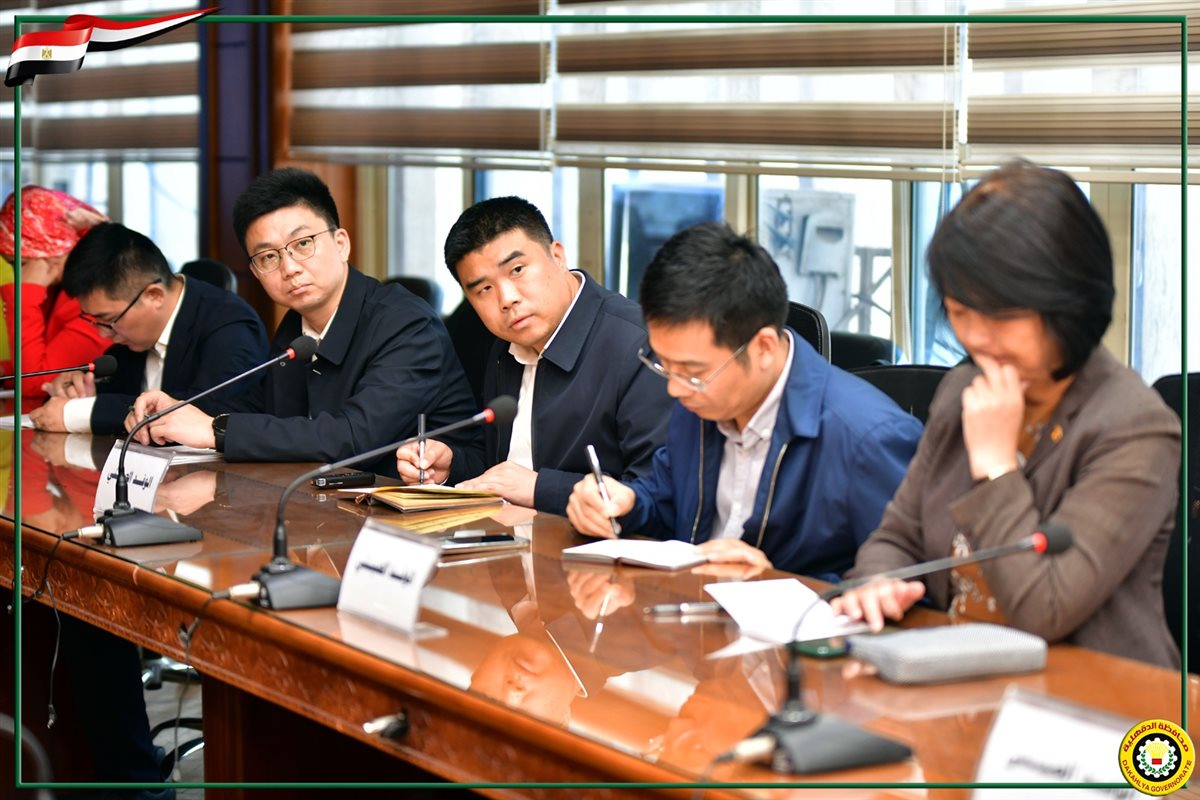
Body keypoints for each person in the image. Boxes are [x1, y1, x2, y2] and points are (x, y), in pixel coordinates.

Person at [830, 162, 1181, 668]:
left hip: (1089, 693)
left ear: (1070, 306)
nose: (976, 338)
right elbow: (897, 535)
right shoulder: (963, 389)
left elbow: (1045, 609)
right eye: (959, 311)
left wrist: (996, 467)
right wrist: (879, 581)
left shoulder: (1135, 427)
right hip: (956, 672)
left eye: (1002, 317)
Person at [566, 222, 923, 579]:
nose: (675, 388)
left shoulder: (866, 437)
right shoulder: (701, 402)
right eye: (664, 365)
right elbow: (667, 502)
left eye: (691, 371)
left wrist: (774, 581)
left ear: (764, 347)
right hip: (692, 604)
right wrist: (627, 504)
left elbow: (908, 584)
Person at [129, 167, 484, 479]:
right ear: (255, 271)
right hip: (329, 507)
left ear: (341, 243)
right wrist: (175, 414)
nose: (289, 268)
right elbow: (257, 409)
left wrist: (214, 430)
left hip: (430, 515)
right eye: (268, 256)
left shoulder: (406, 324)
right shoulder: (295, 327)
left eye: (302, 244)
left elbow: (355, 438)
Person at [395, 196, 672, 513]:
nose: (507, 299)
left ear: (558, 256)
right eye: (484, 289)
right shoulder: (505, 347)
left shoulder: (638, 343)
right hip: (509, 535)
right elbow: (507, 470)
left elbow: (655, 493)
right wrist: (451, 467)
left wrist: (540, 488)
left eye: (517, 270)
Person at [28, 223, 269, 434]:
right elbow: (119, 398)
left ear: (154, 295)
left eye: (108, 319)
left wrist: (80, 413)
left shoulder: (232, 326)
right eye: (95, 321)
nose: (104, 333)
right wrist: (79, 391)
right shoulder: (130, 338)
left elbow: (209, 412)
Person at [0, 185, 110, 397]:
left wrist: (23, 297)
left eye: (21, 264)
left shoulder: (96, 299)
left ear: (53, 251)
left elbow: (34, 384)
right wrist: (6, 371)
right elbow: (43, 362)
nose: (19, 275)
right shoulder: (58, 292)